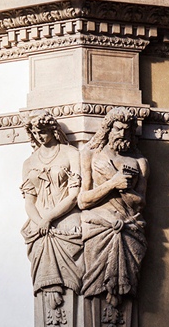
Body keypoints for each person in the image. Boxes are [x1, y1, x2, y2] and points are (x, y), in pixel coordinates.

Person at [78, 107, 149, 306]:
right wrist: (112, 183)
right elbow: (83, 200)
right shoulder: (90, 155)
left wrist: (120, 185)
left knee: (125, 291)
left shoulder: (140, 162)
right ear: (108, 129)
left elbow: (141, 202)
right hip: (99, 228)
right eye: (118, 129)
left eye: (127, 130)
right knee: (96, 288)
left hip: (130, 228)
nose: (123, 134)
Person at [20, 110, 82, 307]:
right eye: (36, 133)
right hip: (38, 223)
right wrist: (40, 222)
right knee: (43, 245)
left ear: (53, 130)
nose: (39, 136)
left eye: (43, 131)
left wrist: (49, 218)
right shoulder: (29, 162)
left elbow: (74, 195)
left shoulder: (70, 153)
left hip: (65, 217)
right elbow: (29, 201)